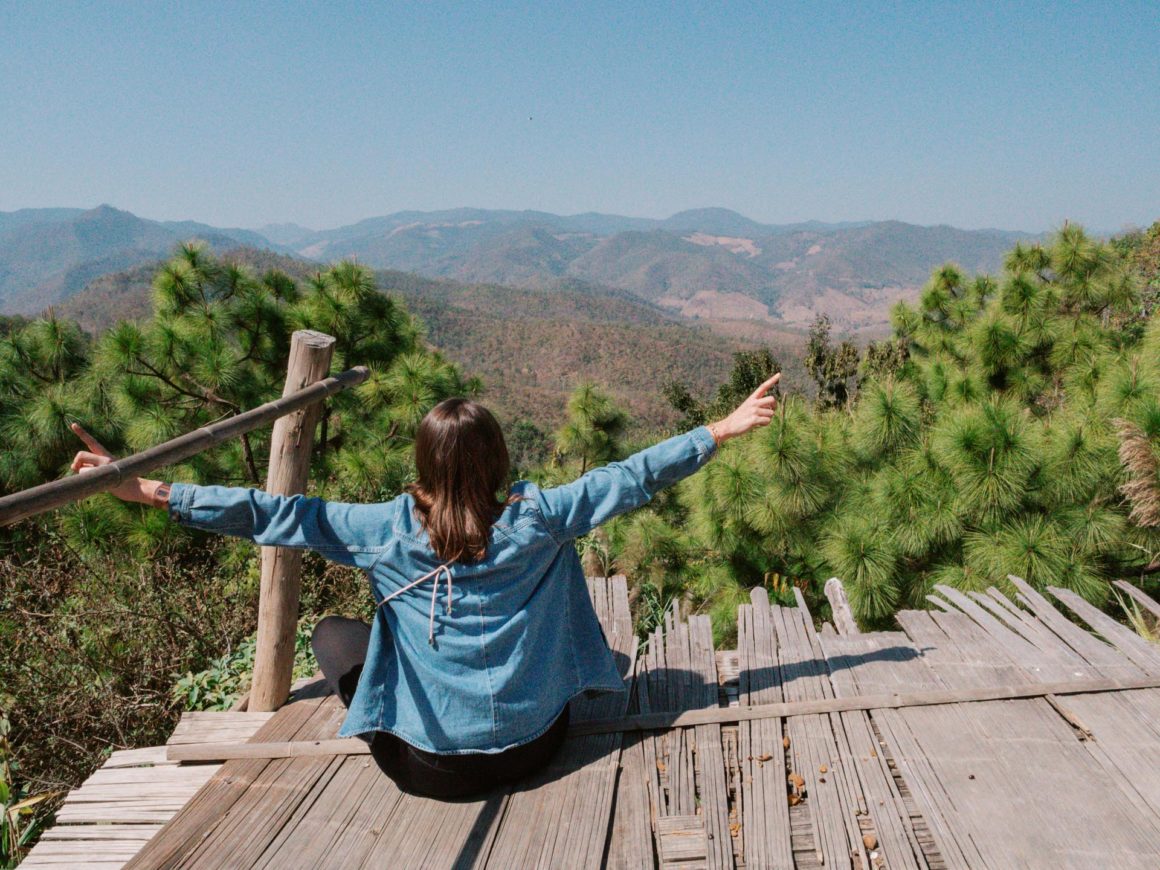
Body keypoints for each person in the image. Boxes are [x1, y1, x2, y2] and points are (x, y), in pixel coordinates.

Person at [69, 373, 780, 798]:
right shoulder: (542, 519)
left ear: (422, 463)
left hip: (426, 768)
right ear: (500, 461)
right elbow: (631, 477)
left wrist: (149, 489)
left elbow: (270, 515)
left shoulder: (383, 530)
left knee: (335, 635)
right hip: (539, 744)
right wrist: (721, 428)